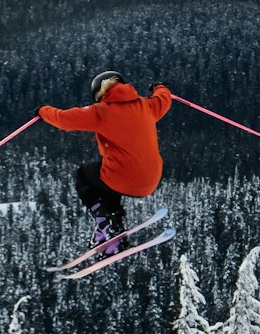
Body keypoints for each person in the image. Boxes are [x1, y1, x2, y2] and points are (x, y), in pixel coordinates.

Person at [36, 71, 172, 250]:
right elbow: (164, 99)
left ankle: (106, 223)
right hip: (151, 179)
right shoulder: (146, 105)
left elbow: (63, 120)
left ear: (99, 94)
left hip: (123, 177)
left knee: (84, 176)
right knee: (106, 181)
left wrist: (42, 111)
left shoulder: (101, 111)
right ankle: (114, 232)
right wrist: (159, 87)